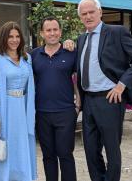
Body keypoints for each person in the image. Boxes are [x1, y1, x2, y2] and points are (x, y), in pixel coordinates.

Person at [77, 0, 132, 181]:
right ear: (81, 17)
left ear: (100, 12)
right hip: (88, 100)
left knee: (112, 149)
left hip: (110, 100)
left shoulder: (116, 32)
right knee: (90, 149)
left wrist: (122, 84)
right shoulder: (81, 39)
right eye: (84, 14)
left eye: (91, 12)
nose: (88, 16)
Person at [0, 21, 37, 181]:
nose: (14, 40)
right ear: (4, 38)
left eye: (17, 36)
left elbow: (30, 87)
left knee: (21, 147)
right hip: (3, 110)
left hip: (23, 109)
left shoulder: (27, 58)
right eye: (10, 36)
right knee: (4, 147)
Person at [30, 17, 80, 181]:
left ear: (60, 31)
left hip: (65, 112)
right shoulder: (34, 55)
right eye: (48, 30)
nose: (52, 33)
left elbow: (78, 80)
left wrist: (77, 106)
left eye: (55, 30)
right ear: (42, 33)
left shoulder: (71, 53)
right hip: (42, 113)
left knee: (65, 154)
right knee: (48, 155)